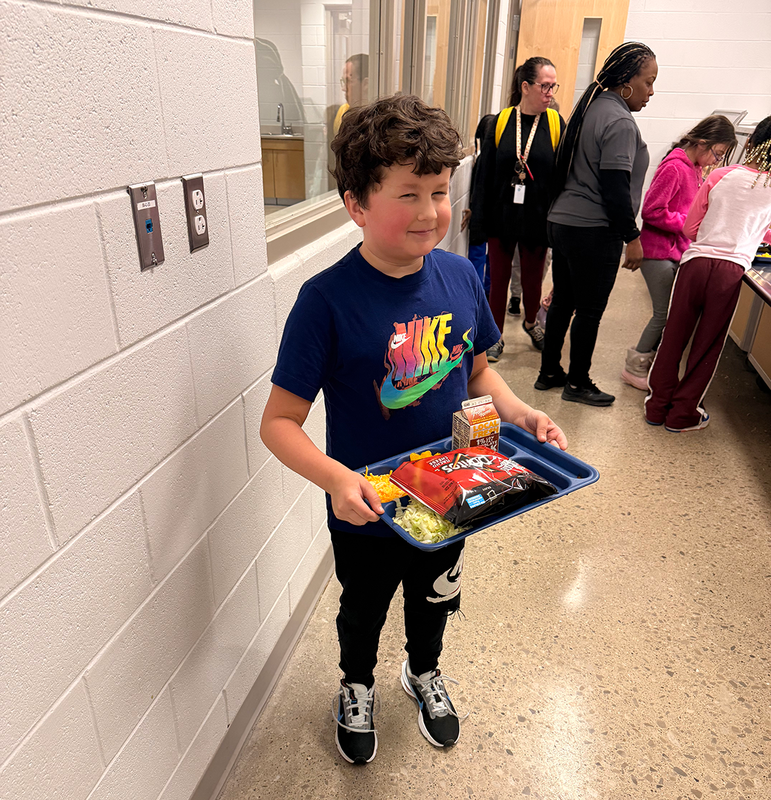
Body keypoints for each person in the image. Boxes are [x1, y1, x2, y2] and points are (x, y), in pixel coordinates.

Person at [260, 94, 567, 766]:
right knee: (361, 609)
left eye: (438, 190)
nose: (430, 212)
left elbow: (479, 372)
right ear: (356, 204)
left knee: (436, 594)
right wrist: (336, 479)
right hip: (367, 508)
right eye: (409, 193)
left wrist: (520, 413)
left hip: (454, 492)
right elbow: (278, 424)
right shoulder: (325, 301)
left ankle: (421, 671)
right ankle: (357, 683)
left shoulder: (461, 276)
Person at [537, 41, 657, 406]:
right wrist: (631, 236)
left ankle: (549, 373)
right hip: (593, 229)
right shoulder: (619, 120)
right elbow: (615, 187)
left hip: (564, 222)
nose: (651, 91)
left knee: (563, 302)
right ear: (627, 82)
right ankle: (578, 383)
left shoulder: (591, 108)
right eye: (648, 81)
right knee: (589, 309)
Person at [644, 117, 771, 432]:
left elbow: (690, 228)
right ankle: (683, 414)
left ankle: (656, 407)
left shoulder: (720, 175)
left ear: (752, 141)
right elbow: (767, 237)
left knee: (674, 336)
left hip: (695, 263)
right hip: (730, 272)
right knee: (707, 345)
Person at [621, 115, 738, 390]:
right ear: (701, 143)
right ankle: (633, 366)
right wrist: (686, 224)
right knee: (664, 313)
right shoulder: (675, 166)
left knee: (672, 312)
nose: (717, 161)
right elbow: (652, 210)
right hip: (657, 252)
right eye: (717, 153)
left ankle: (648, 364)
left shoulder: (696, 168)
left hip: (675, 251)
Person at [470, 57, 564, 362]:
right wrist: (478, 217)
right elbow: (484, 174)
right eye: (545, 86)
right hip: (502, 217)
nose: (550, 92)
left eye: (553, 86)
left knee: (532, 280)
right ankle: (495, 335)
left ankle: (530, 322)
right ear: (525, 87)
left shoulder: (555, 125)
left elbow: (561, 177)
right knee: (497, 281)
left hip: (537, 218)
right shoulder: (498, 123)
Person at [327, 54, 369, 190]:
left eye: (348, 81)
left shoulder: (379, 118)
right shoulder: (341, 113)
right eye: (342, 82)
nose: (343, 89)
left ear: (366, 84)